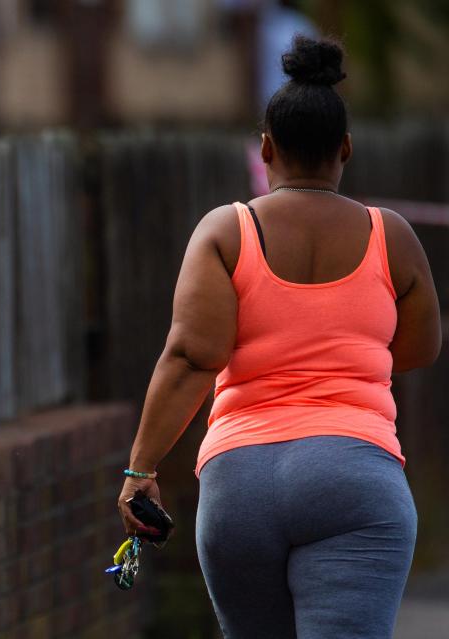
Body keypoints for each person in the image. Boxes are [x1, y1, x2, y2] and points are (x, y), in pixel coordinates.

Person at [116, 35, 441, 638]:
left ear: (265, 147)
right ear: (346, 148)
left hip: (240, 486)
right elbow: (420, 348)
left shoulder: (226, 231)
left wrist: (141, 470)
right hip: (356, 478)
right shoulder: (390, 236)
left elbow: (192, 356)